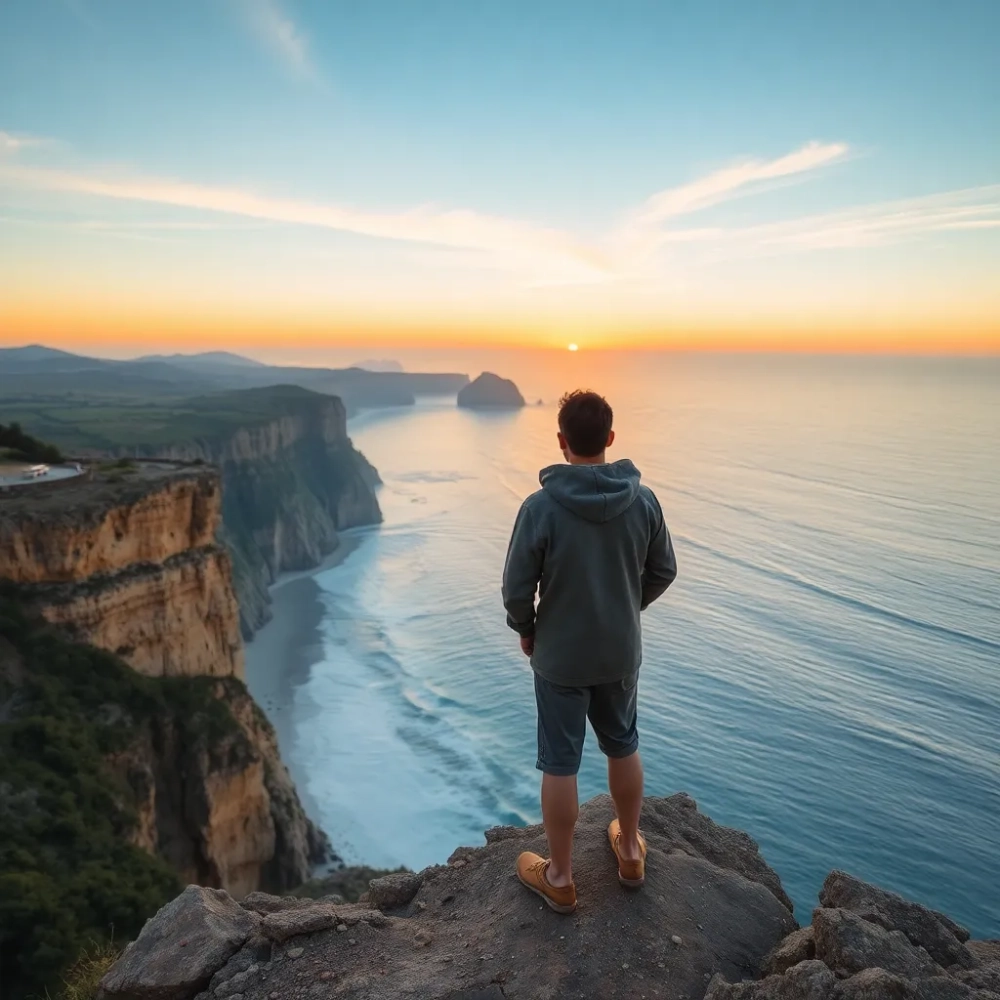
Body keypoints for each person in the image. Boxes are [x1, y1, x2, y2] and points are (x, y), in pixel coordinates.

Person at [501, 389, 677, 913]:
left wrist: (527, 628)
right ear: (611, 439)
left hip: (560, 656)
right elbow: (663, 570)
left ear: (561, 442)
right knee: (622, 743)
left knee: (561, 762)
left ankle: (559, 876)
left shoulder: (540, 507)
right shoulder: (643, 501)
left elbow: (515, 588)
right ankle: (628, 853)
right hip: (619, 652)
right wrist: (626, 608)